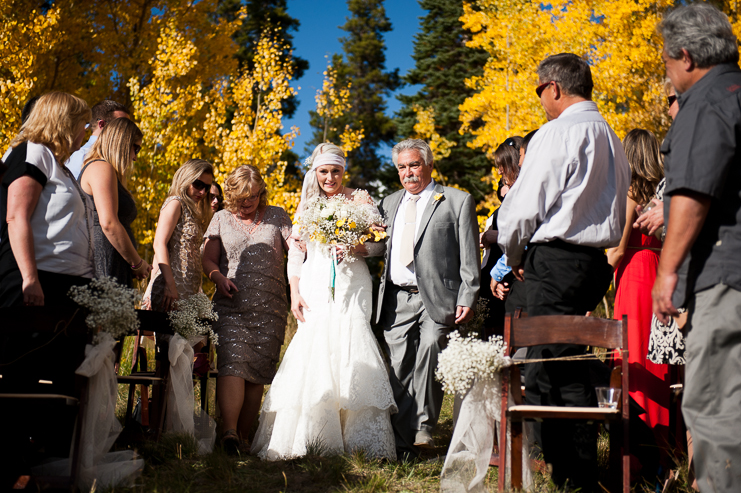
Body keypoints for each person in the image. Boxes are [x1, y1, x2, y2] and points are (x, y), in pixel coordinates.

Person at [497, 53, 630, 491]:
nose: (539, 100)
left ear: (553, 87)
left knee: (549, 368)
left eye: (538, 90)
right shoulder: (610, 135)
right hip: (593, 264)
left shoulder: (557, 133)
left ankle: (573, 474)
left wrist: (512, 252)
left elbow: (524, 205)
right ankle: (573, 470)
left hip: (555, 260)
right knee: (566, 361)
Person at [251, 143, 397, 460]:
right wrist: (295, 291)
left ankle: (359, 441)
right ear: (315, 173)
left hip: (353, 282)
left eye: (335, 171)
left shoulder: (361, 199)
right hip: (316, 282)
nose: (329, 177)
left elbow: (379, 245)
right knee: (315, 347)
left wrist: (358, 249)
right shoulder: (306, 207)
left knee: (354, 341)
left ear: (344, 171)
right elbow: (296, 255)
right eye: (323, 171)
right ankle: (314, 436)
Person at [654, 5, 741, 491]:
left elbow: (690, 191)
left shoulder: (705, 102)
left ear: (684, 56)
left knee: (717, 412)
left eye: (666, 62)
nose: (668, 72)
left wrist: (669, 272)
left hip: (725, 276)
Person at [376, 138, 480, 458]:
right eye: (402, 167)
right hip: (395, 297)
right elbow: (379, 249)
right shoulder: (387, 204)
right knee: (397, 368)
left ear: (429, 165)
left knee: (433, 345)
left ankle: (424, 424)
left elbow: (469, 255)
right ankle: (403, 445)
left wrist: (469, 294)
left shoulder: (457, 201)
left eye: (414, 165)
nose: (408, 173)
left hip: (438, 296)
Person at [201, 165, 294, 453]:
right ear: (231, 195)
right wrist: (218, 277)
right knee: (232, 362)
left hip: (271, 308)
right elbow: (208, 261)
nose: (248, 201)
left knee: (257, 374)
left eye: (254, 195)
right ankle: (228, 431)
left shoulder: (277, 215)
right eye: (242, 196)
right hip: (232, 306)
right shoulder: (220, 218)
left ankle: (243, 436)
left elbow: (297, 249)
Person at [606, 129, 669, 477]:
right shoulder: (661, 194)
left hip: (634, 277)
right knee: (657, 358)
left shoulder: (630, 192)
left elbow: (615, 251)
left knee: (633, 360)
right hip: (658, 269)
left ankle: (644, 459)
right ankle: (666, 451)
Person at [0, 92, 94, 307]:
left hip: (69, 284)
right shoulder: (34, 152)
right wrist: (30, 278)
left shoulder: (60, 166)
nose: (84, 132)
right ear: (66, 123)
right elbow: (16, 217)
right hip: (38, 281)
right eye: (83, 125)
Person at [78, 118, 151, 287]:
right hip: (105, 262)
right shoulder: (101, 167)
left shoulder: (103, 169)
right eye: (136, 148)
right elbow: (109, 223)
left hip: (113, 260)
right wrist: (137, 263)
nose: (135, 157)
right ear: (121, 142)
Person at [143, 159, 213, 311]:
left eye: (207, 187)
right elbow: (159, 244)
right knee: (170, 334)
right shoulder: (176, 203)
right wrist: (169, 284)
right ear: (186, 178)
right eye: (198, 184)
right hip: (172, 287)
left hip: (189, 288)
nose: (203, 192)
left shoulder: (194, 211)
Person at [67, 100, 129, 179]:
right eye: (122, 126)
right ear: (102, 124)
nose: (128, 133)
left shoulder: (111, 157)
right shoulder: (83, 157)